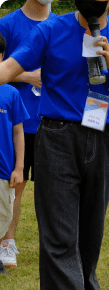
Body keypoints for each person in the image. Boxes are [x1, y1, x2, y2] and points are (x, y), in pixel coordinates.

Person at [0, 0, 109, 290]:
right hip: (56, 137)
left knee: (90, 233)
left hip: (102, 136)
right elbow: (9, 68)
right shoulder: (49, 29)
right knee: (59, 236)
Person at [0, 0, 56, 268]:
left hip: (54, 122)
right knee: (15, 187)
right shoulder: (8, 25)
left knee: (56, 191)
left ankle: (59, 247)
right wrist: (27, 76)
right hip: (19, 125)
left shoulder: (61, 25)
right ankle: (7, 242)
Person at [0, 33, 29, 275]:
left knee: (3, 214)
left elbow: (19, 133)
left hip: (3, 171)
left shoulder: (11, 94)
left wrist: (19, 167)